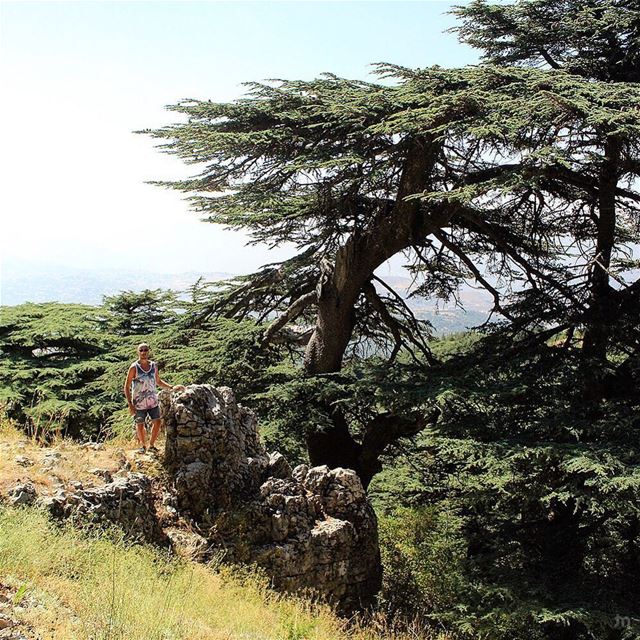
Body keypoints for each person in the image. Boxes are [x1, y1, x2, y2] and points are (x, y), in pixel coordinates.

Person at [123, 343, 185, 454]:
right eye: (141, 350)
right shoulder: (134, 367)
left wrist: (172, 387)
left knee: (157, 423)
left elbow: (158, 381)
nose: (143, 352)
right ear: (138, 352)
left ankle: (151, 445)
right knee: (140, 425)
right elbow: (126, 387)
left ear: (149, 351)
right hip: (139, 403)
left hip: (152, 402)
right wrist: (130, 404)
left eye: (145, 350)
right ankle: (143, 446)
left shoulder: (153, 366)